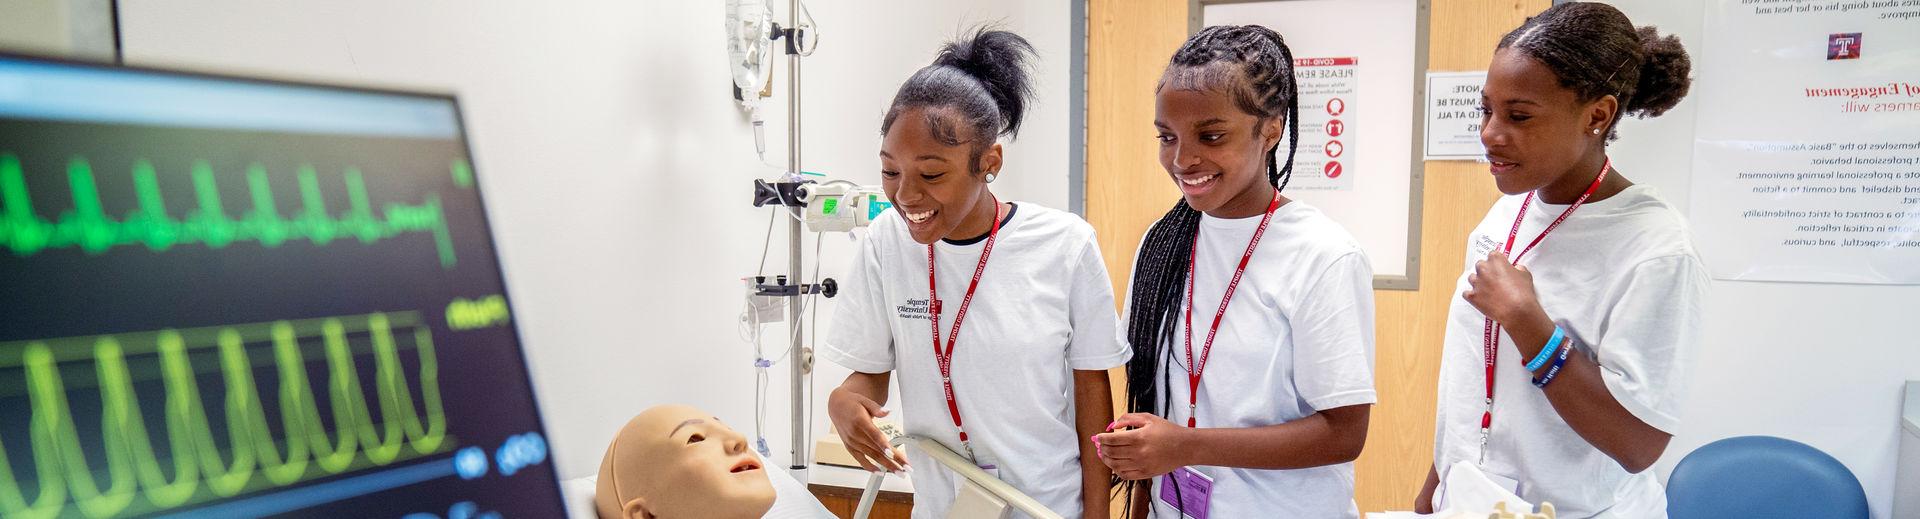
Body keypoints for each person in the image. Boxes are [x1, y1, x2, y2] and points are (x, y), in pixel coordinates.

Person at [819, 27, 1130, 519]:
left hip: (1045, 506)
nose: (906, 196)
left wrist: (1097, 516)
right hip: (943, 507)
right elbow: (870, 375)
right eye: (890, 171)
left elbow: (1093, 393)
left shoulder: (1064, 245)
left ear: (989, 162)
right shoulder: (886, 242)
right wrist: (844, 401)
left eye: (932, 174)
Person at [1414, 3, 1707, 517]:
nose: (1490, 133)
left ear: (1598, 115)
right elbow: (1477, 374)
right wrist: (1439, 486)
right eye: (1486, 109)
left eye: (1519, 116)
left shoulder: (1657, 248)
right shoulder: (1505, 214)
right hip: (1476, 500)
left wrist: (1530, 325)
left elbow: (1638, 444)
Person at [1093, 24, 1377, 519]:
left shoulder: (1322, 255)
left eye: (1211, 135)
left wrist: (1187, 446)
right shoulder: (1162, 244)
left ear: (1271, 128)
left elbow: (1344, 433)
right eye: (1167, 137)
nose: (1183, 159)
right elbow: (1154, 403)